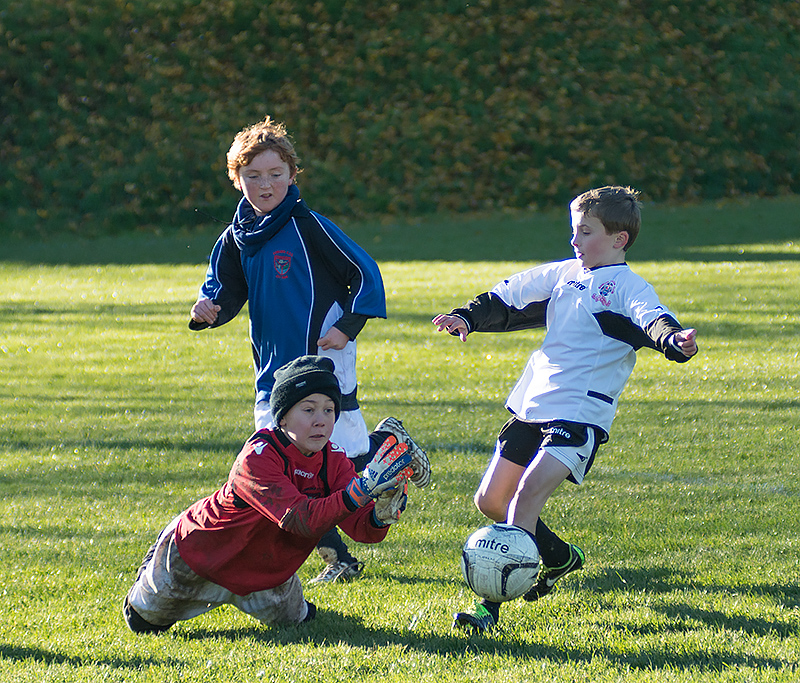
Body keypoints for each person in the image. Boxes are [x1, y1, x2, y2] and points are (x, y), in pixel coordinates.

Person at [433, 186, 698, 633]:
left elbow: (651, 318)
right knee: (491, 501)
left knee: (525, 497)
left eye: (585, 232)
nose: (574, 241)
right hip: (533, 404)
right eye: (573, 230)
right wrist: (468, 317)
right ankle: (557, 559)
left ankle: (488, 609)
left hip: (580, 415)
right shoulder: (564, 274)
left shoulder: (626, 286)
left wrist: (674, 341)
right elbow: (509, 295)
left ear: (620, 239)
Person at [189, 116, 427, 583]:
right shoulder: (236, 237)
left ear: (293, 176)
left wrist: (348, 328)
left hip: (324, 356)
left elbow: (365, 273)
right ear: (236, 179)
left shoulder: (310, 226)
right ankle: (389, 451)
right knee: (304, 458)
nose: (265, 185)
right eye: (252, 176)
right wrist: (208, 309)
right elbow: (226, 291)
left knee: (312, 457)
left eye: (276, 174)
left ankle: (342, 556)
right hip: (273, 366)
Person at [123, 355, 422, 633]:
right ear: (282, 418)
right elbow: (299, 519)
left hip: (267, 571)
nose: (321, 420)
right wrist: (359, 491)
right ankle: (165, 541)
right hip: (201, 556)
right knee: (142, 623)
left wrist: (379, 517)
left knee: (300, 623)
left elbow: (360, 528)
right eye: (308, 409)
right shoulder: (259, 456)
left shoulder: (334, 459)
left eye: (329, 410)